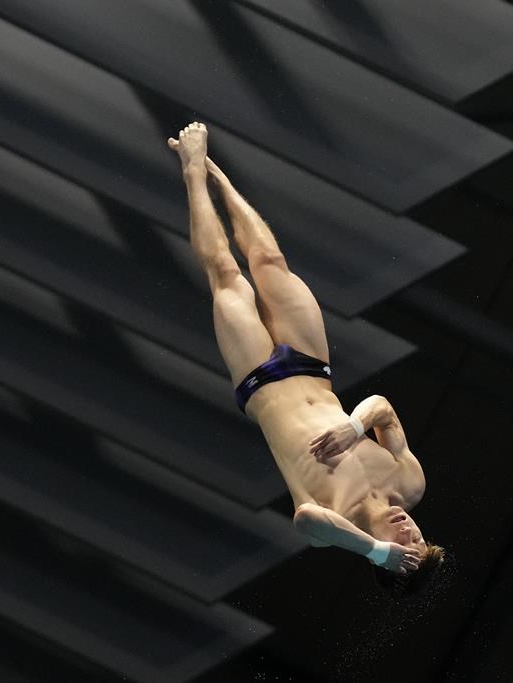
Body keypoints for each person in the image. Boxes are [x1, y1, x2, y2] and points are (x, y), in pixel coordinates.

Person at [168, 122, 445, 588]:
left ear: (387, 556)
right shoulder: (411, 484)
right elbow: (383, 408)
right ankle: (218, 173)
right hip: (312, 365)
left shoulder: (332, 525)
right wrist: (356, 427)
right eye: (421, 537)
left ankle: (193, 169)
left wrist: (375, 552)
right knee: (270, 261)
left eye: (407, 546)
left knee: (225, 274)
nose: (410, 532)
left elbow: (304, 520)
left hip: (260, 380)